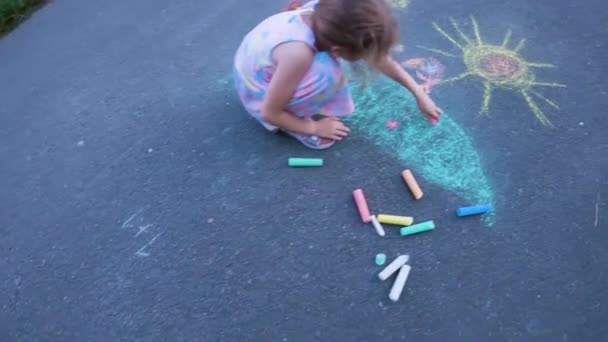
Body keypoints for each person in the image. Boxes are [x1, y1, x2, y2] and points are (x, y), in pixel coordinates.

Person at [233, 0, 442, 149]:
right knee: (328, 74)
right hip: (258, 93)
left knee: (330, 69)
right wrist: (313, 127)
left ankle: (296, 105)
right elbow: (270, 112)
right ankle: (294, 124)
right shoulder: (299, 55)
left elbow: (379, 58)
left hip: (257, 65)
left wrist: (418, 93)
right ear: (337, 49)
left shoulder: (328, 13)